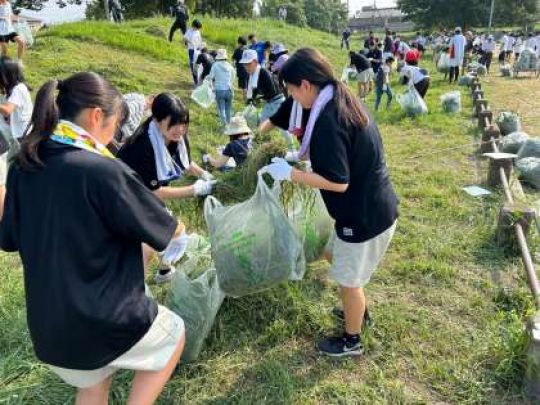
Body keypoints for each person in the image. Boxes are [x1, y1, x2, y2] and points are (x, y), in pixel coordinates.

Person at [0, 72, 186, 404]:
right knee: (173, 335)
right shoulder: (102, 170)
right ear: (97, 116)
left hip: (50, 331)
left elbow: (10, 238)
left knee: (94, 381)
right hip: (102, 323)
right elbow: (167, 229)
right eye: (115, 125)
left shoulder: (24, 165)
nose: (114, 137)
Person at [259, 48, 398, 357]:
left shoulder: (327, 120)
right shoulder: (340, 98)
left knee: (348, 282)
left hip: (363, 216)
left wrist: (293, 175)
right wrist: (301, 163)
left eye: (292, 92)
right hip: (372, 204)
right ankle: (357, 314)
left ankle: (352, 341)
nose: (293, 98)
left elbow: (338, 181)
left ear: (306, 85)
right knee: (334, 255)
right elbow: (340, 161)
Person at [240, 49, 294, 148]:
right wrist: (251, 100)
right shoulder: (254, 75)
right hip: (271, 103)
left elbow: (272, 91)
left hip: (277, 101)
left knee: (279, 126)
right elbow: (255, 89)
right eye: (244, 64)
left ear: (255, 62)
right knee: (265, 124)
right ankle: (256, 145)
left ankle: (292, 149)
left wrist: (260, 98)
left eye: (248, 64)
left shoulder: (263, 72)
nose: (246, 67)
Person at [0, 57, 32, 141]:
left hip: (22, 135)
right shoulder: (12, 89)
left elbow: (7, 111)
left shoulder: (19, 89)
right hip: (15, 129)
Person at [208, 49, 235, 125]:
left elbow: (211, 77)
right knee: (228, 108)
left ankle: (224, 125)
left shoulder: (215, 65)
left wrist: (211, 86)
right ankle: (229, 124)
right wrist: (230, 83)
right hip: (229, 89)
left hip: (219, 89)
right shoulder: (229, 65)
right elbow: (233, 76)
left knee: (221, 109)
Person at [183, 19, 203, 85]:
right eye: (197, 27)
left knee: (199, 65)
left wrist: (201, 46)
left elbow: (200, 40)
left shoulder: (198, 32)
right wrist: (189, 41)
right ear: (193, 26)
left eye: (198, 28)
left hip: (198, 50)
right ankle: (195, 81)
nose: (197, 29)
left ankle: (200, 80)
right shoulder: (189, 31)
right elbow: (184, 38)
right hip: (191, 50)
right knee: (193, 65)